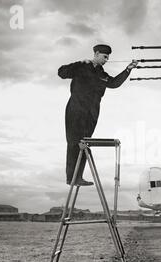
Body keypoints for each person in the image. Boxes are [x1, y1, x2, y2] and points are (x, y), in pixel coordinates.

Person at [58, 44, 138, 186]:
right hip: (76, 109)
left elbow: (114, 83)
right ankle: (71, 177)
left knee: (85, 143)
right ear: (96, 54)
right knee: (74, 142)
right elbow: (61, 72)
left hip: (92, 112)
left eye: (108, 58)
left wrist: (128, 70)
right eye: (105, 57)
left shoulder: (101, 74)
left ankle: (79, 177)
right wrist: (78, 63)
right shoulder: (82, 67)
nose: (106, 60)